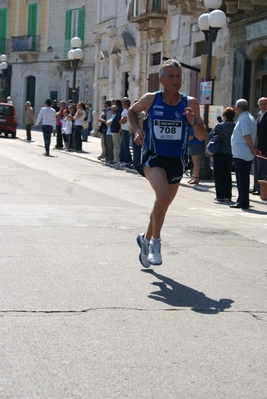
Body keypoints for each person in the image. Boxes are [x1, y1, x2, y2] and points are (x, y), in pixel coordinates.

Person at [128, 58, 206, 267]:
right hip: (153, 156)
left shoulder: (189, 103)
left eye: (178, 76)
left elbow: (201, 135)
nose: (175, 80)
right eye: (170, 76)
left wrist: (193, 121)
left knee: (162, 205)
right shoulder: (151, 99)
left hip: (176, 160)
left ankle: (144, 239)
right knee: (162, 196)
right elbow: (131, 112)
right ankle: (155, 242)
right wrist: (137, 130)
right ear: (161, 79)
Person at [230, 99, 257, 209]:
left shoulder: (244, 119)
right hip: (244, 151)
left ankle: (243, 201)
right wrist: (254, 147)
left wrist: (252, 148)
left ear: (238, 108)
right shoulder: (250, 117)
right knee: (243, 178)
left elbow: (247, 136)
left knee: (241, 178)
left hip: (242, 152)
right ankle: (242, 199)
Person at [208, 107, 235, 202]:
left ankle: (220, 195)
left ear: (225, 116)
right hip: (230, 153)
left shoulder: (220, 126)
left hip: (219, 152)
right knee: (228, 174)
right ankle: (228, 195)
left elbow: (211, 135)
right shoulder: (235, 126)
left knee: (219, 174)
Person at [251, 97, 267, 195]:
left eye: (264, 103)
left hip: (265, 146)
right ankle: (255, 187)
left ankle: (261, 189)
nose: (262, 105)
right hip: (257, 146)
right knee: (256, 168)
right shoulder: (259, 115)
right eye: (261, 104)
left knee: (263, 169)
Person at [117, 98, 132, 167]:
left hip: (126, 129)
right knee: (122, 145)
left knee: (125, 146)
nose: (122, 104)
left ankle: (127, 160)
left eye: (123, 103)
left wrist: (120, 122)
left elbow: (124, 119)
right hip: (123, 129)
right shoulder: (124, 110)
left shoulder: (127, 110)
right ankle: (121, 160)